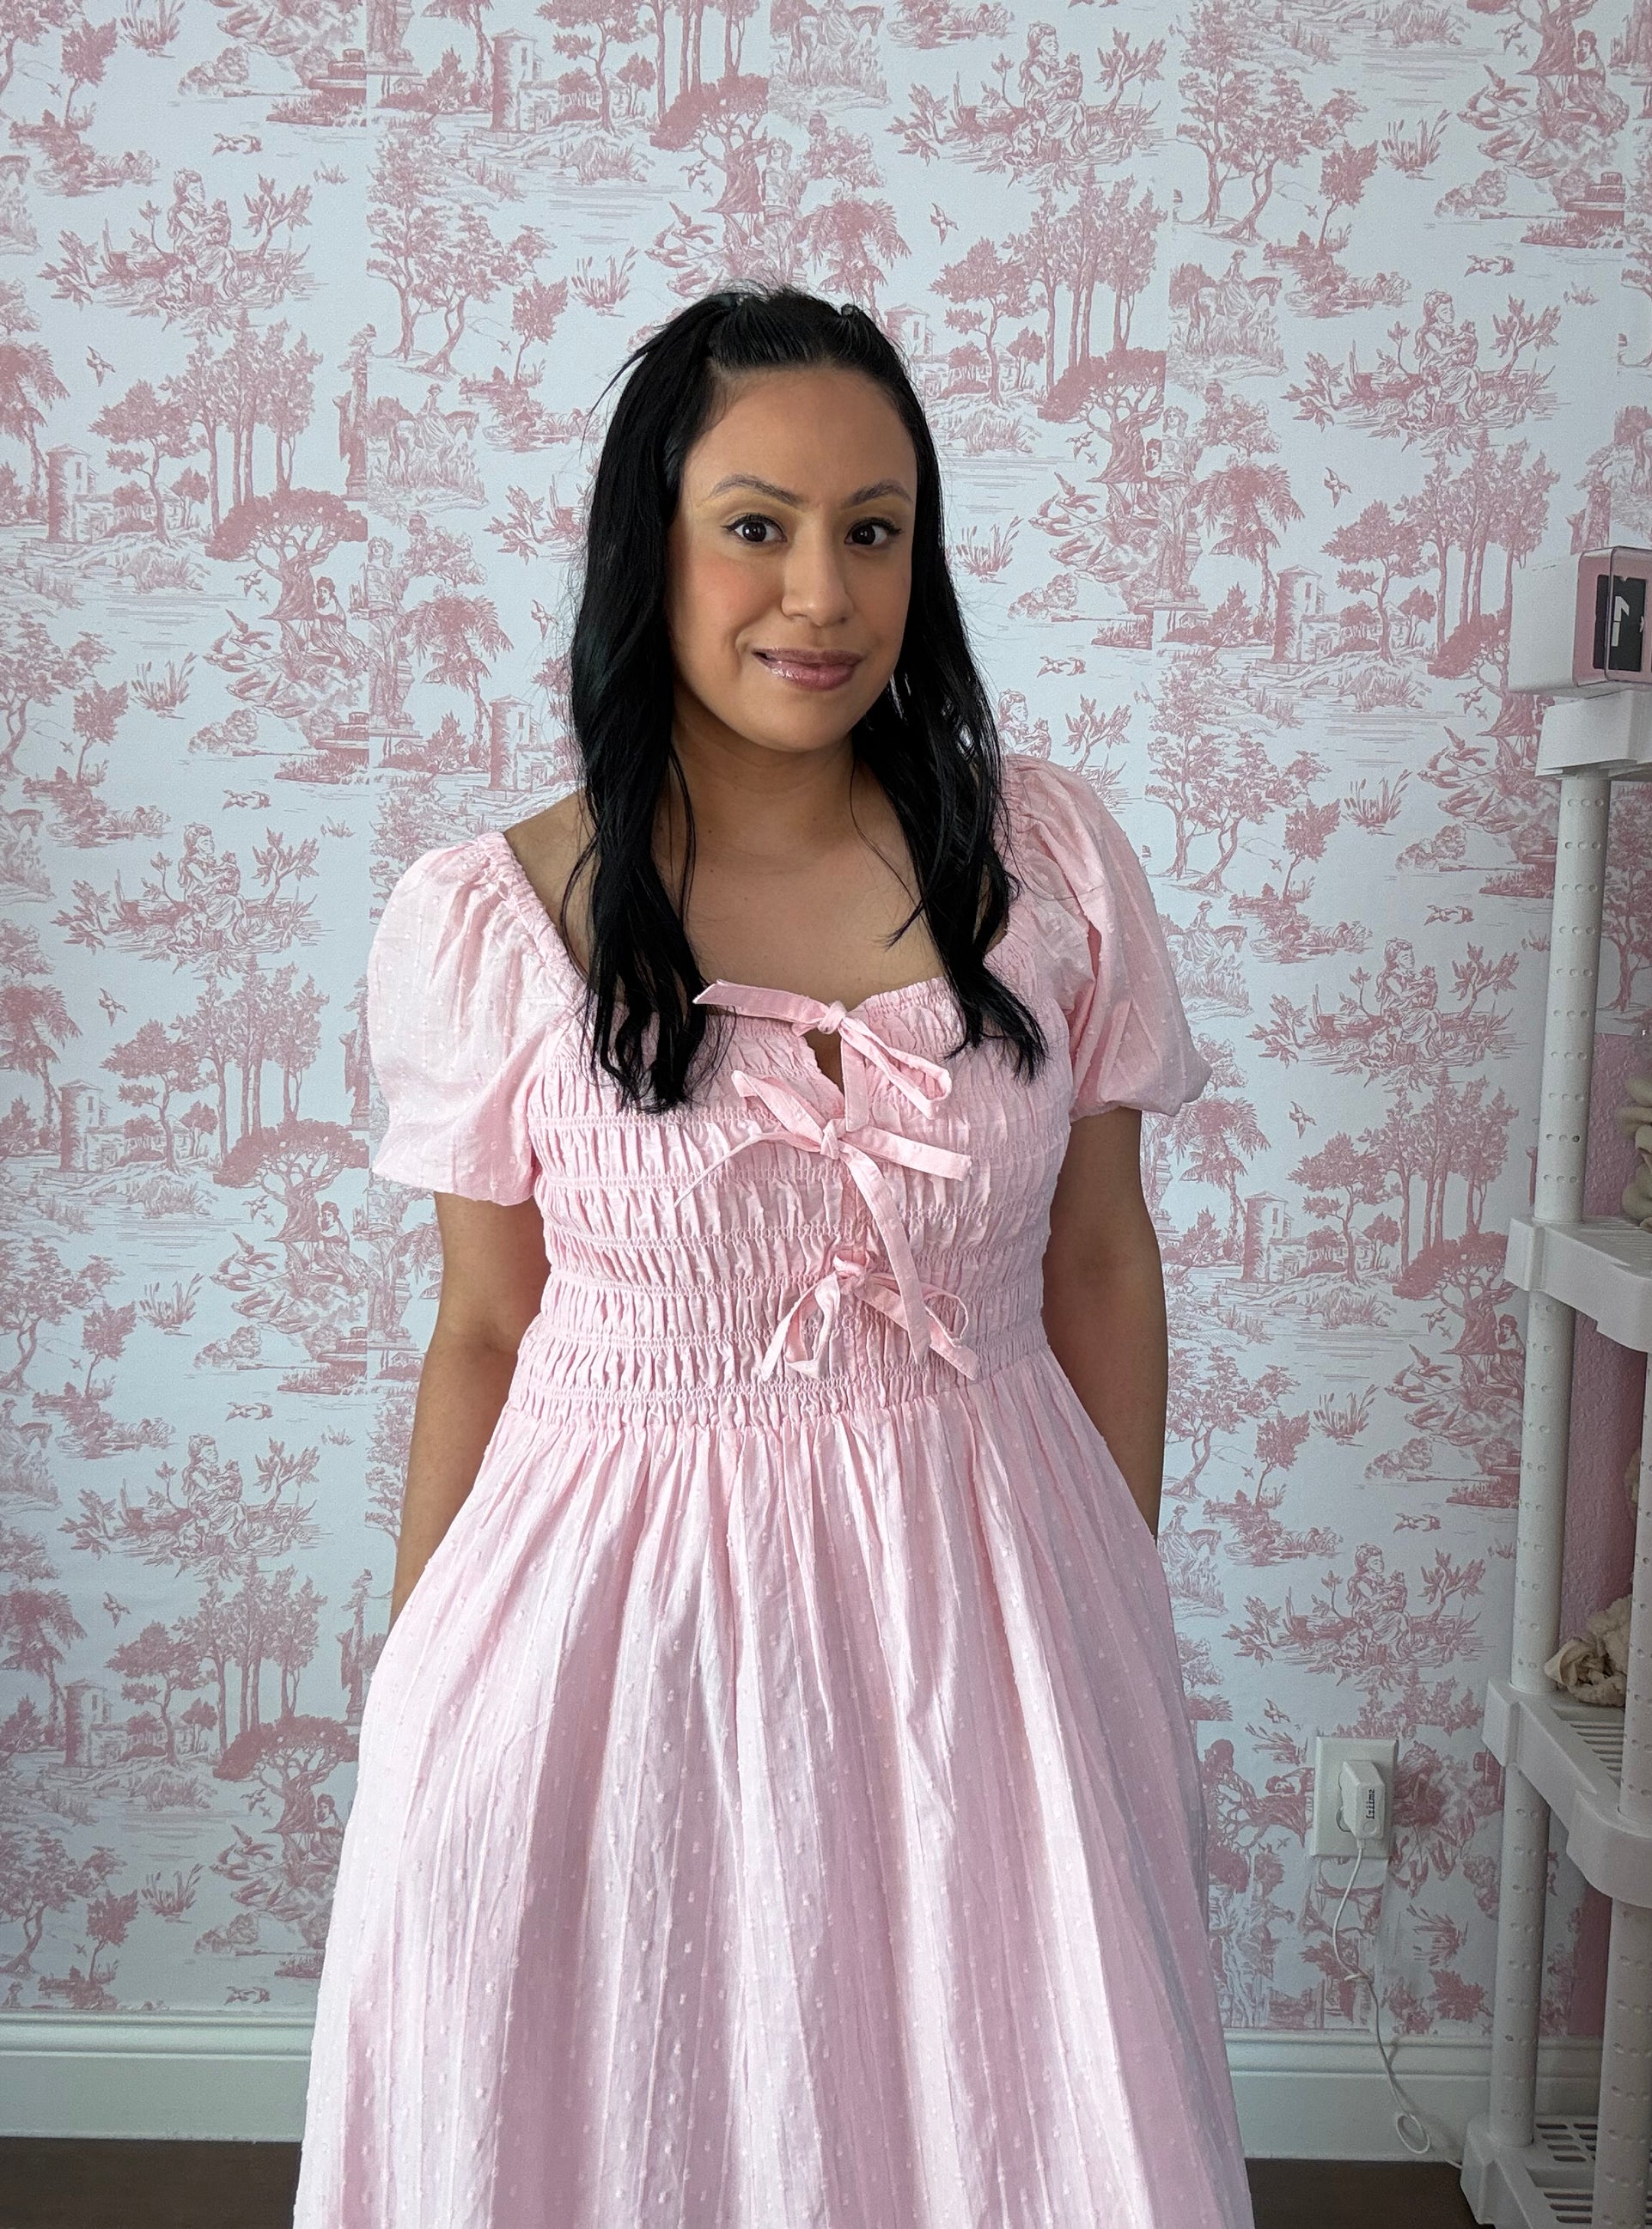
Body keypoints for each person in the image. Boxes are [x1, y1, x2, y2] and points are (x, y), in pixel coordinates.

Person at [293, 283, 1255, 2228]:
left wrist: (1101, 1607)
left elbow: (1098, 1259)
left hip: (992, 1597)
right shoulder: (498, 917)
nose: (822, 593)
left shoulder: (1047, 863)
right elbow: (484, 1328)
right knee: (633, 2100)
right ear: (646, 547)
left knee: (999, 2111)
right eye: (756, 524)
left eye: (873, 529)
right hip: (608, 1625)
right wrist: (418, 1696)